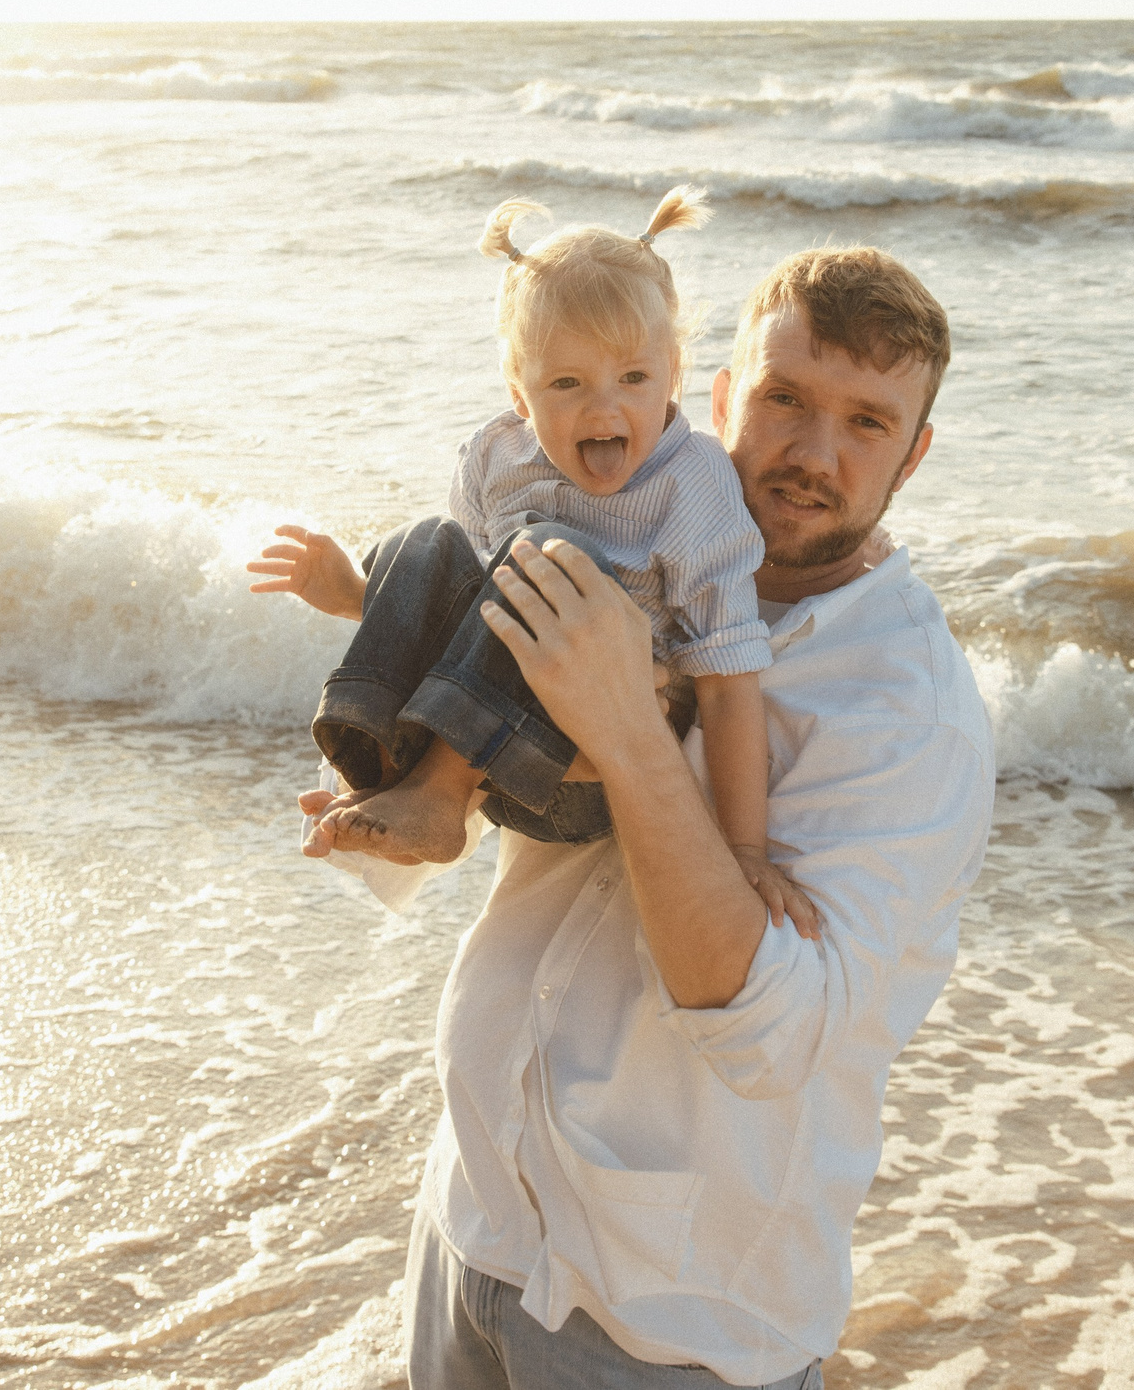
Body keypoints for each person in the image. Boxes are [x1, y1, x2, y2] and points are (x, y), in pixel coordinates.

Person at [304, 247, 994, 1388]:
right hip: (474, 1214)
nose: (814, 454)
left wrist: (630, 732)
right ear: (713, 398)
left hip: (662, 1323)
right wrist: (412, 787)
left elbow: (764, 1029)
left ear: (913, 455)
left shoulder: (908, 718)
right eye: (784, 400)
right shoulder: (637, 550)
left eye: (867, 422)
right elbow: (517, 775)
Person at [247, 186, 815, 932]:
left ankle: (441, 792)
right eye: (566, 384)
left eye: (634, 379)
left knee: (548, 553)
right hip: (491, 752)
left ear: (673, 373)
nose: (604, 409)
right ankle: (381, 767)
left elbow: (731, 678)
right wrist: (357, 591)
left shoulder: (694, 484)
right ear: (520, 392)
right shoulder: (495, 454)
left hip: (586, 771)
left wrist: (745, 847)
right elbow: (468, 612)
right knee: (426, 540)